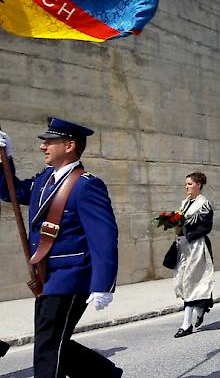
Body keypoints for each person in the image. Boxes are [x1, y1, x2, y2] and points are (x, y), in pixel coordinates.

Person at [0, 118, 122, 377]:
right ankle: (104, 374)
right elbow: (9, 192)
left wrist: (103, 284)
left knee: (47, 345)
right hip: (46, 275)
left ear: (69, 145)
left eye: (49, 142)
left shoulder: (87, 185)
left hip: (71, 277)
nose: (43, 147)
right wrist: (4, 160)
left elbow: (104, 237)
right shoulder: (45, 179)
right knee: (54, 341)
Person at [173, 172, 215, 338]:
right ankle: (201, 307)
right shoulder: (185, 203)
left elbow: (206, 227)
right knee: (182, 281)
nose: (186, 187)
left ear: (198, 185)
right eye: (186, 184)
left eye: (189, 184)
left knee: (190, 281)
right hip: (184, 247)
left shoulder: (204, 204)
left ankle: (186, 324)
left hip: (197, 246)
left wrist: (188, 237)